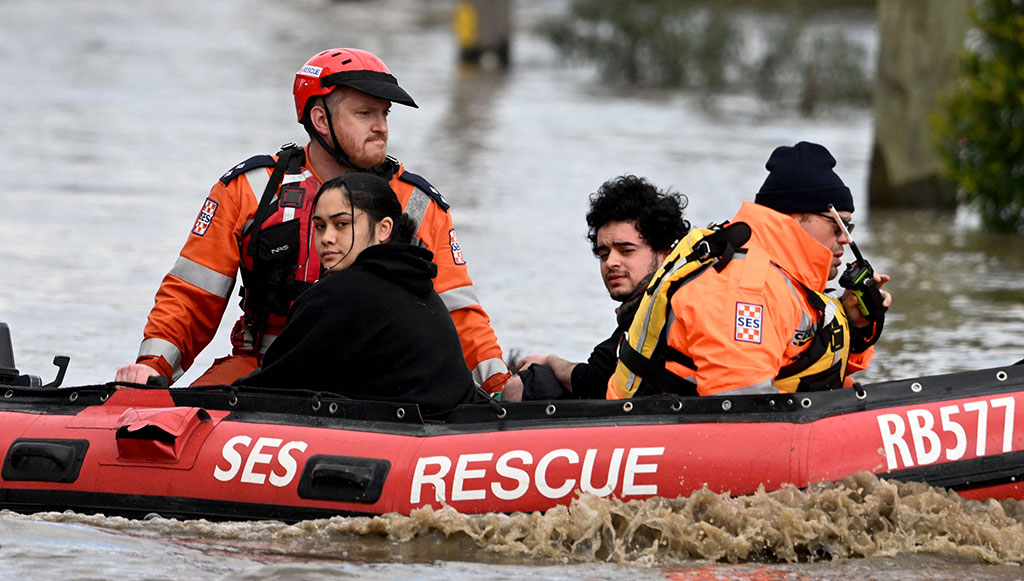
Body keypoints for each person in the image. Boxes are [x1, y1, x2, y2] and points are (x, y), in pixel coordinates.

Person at [115, 48, 510, 393]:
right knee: (187, 418)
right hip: (264, 365)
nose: (382, 127)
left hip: (375, 377)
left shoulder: (417, 204)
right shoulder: (249, 189)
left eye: (384, 114)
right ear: (320, 120)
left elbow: (459, 313)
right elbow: (192, 295)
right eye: (365, 113)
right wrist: (151, 370)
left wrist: (499, 386)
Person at [609, 140, 892, 398]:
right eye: (838, 225)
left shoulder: (785, 278)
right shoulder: (745, 287)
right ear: (795, 217)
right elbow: (742, 404)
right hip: (657, 430)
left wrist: (856, 325)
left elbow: (804, 367)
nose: (846, 238)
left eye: (848, 227)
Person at [234, 173, 479, 418]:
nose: (327, 238)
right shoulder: (416, 281)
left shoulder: (339, 295)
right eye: (319, 226)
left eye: (341, 224)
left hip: (403, 439)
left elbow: (273, 386)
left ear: (384, 229)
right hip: (457, 428)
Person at [503, 175, 690, 401]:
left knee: (529, 385)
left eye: (626, 250)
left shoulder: (666, 308)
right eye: (604, 253)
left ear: (665, 254)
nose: (611, 262)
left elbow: (594, 381)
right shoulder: (666, 300)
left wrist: (549, 361)